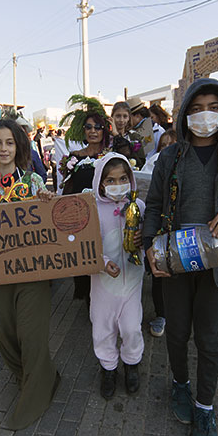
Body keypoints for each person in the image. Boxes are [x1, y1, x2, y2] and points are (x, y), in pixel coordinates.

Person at [143, 78, 218, 436]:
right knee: (177, 333)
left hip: (217, 266)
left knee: (209, 340)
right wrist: (149, 248)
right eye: (195, 108)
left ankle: (205, 407)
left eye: (212, 106)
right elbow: (156, 205)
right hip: (176, 262)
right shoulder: (171, 157)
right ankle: (180, 383)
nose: (203, 115)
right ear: (183, 113)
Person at [0, 118, 61, 430]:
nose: (4, 148)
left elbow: (52, 221)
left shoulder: (35, 182)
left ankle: (35, 396)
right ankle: (35, 376)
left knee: (32, 334)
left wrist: (48, 202)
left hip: (34, 271)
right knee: (6, 334)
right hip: (0, 274)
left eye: (9, 142)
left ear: (18, 146)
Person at [90, 153, 146, 399]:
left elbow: (150, 237)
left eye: (123, 178)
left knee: (132, 327)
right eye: (110, 180)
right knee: (102, 328)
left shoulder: (139, 207)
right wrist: (102, 263)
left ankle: (132, 364)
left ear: (131, 179)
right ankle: (108, 368)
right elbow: (85, 246)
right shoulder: (92, 209)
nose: (117, 184)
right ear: (101, 182)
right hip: (103, 284)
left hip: (132, 282)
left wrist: (143, 239)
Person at [60, 97, 112, 303]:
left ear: (103, 131)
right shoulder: (73, 157)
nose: (92, 131)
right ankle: (87, 298)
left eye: (97, 127)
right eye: (88, 127)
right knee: (84, 256)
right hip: (80, 216)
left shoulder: (110, 156)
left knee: (104, 255)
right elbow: (68, 187)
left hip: (105, 215)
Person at [141, 128, 176, 340]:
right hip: (159, 226)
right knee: (159, 273)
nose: (167, 150)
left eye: (172, 146)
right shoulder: (154, 163)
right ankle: (161, 314)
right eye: (164, 146)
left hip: (179, 230)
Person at [110, 101, 146, 169]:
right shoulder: (106, 137)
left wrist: (117, 136)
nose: (121, 120)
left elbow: (141, 162)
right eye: (118, 116)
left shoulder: (135, 137)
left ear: (129, 118)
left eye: (125, 116)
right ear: (112, 117)